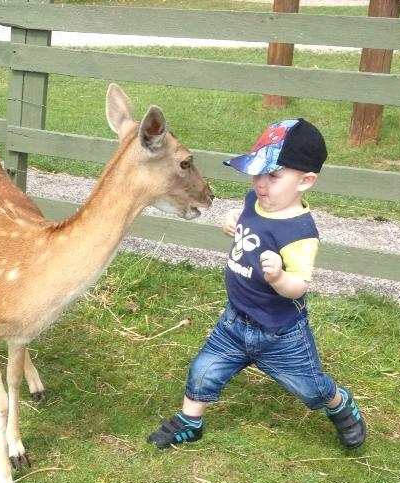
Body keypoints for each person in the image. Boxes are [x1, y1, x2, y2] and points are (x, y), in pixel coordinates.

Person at [147, 119, 367, 451]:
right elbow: (247, 227)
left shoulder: (300, 233)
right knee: (204, 370)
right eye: (257, 172)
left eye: (274, 175)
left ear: (306, 180)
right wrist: (233, 223)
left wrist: (279, 277)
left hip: (281, 334)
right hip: (235, 321)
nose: (261, 183)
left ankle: (340, 405)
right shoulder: (255, 200)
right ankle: (191, 421)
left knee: (311, 388)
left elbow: (299, 287)